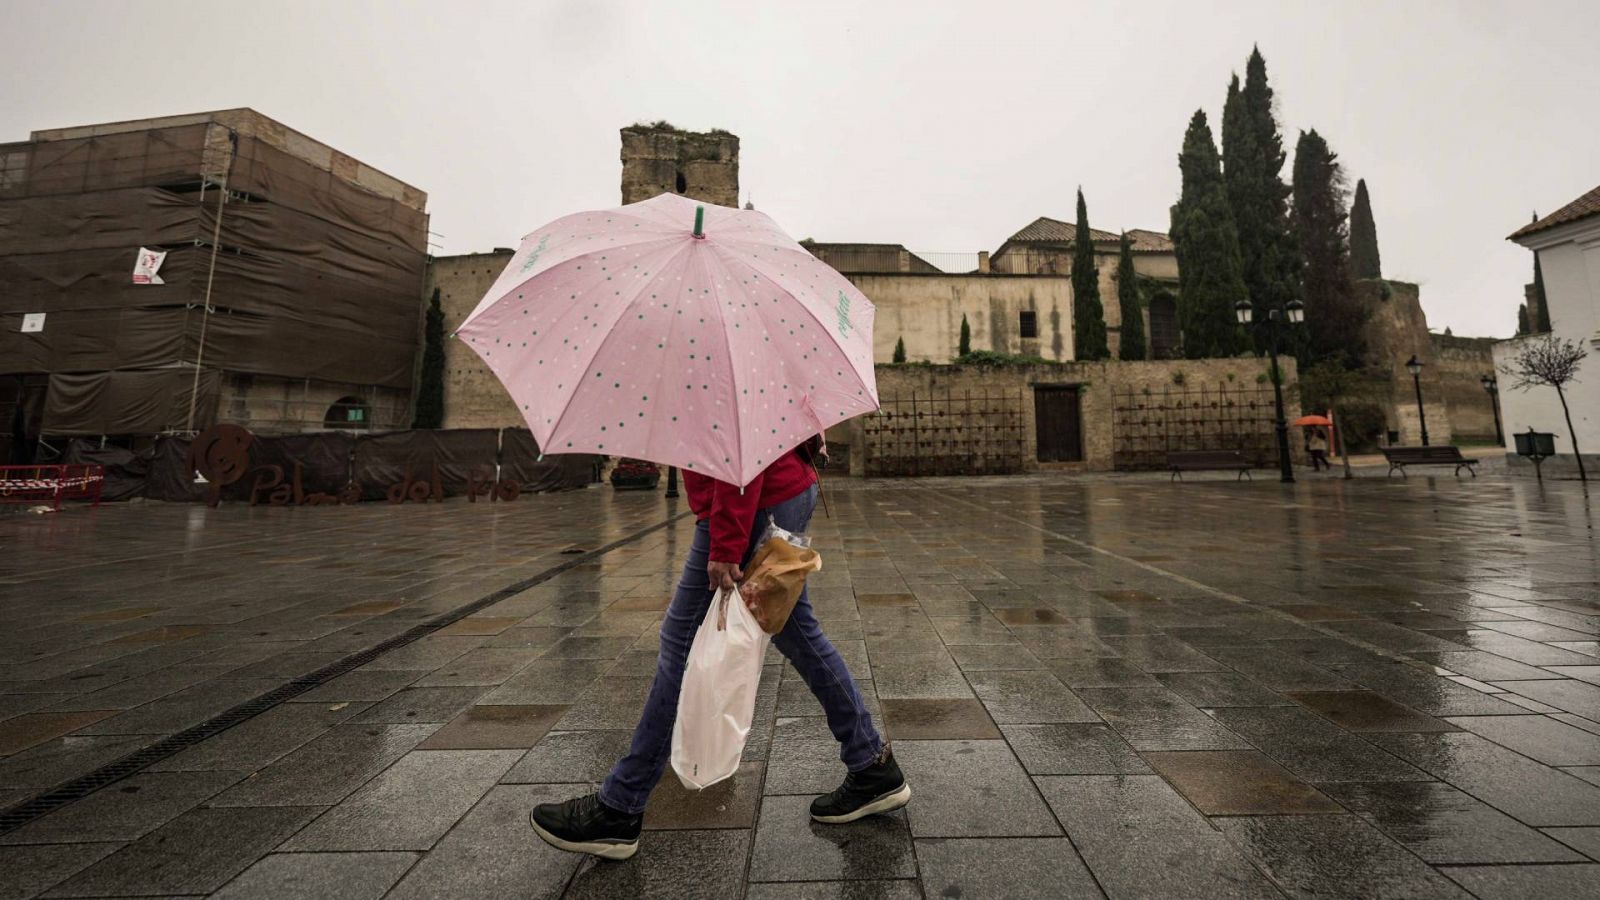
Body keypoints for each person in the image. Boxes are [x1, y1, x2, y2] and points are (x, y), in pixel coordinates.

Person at [529, 440, 907, 861]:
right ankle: (871, 764)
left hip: (750, 500)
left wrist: (726, 543)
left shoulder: (709, 372)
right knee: (798, 632)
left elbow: (739, 447)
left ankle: (619, 808)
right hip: (782, 489)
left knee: (681, 648)